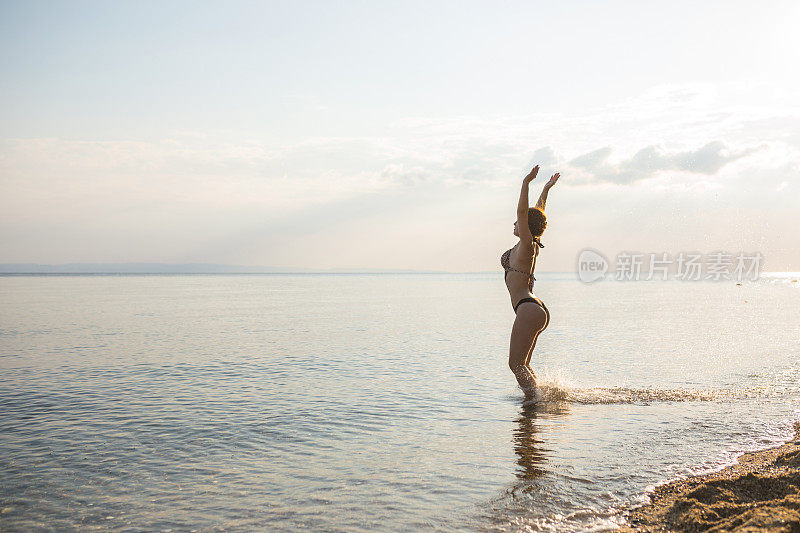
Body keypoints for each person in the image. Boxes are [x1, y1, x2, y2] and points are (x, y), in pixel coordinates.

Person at [501, 165, 560, 399]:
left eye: (517, 222)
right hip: (533, 308)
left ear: (525, 227)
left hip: (528, 309)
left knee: (515, 364)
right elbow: (536, 214)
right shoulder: (529, 244)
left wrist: (526, 183)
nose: (514, 224)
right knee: (522, 364)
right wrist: (545, 189)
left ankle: (534, 404)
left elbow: (525, 215)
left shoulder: (527, 245)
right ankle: (538, 400)